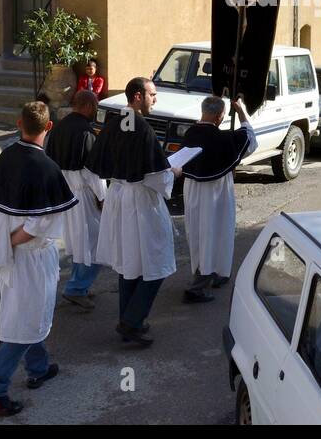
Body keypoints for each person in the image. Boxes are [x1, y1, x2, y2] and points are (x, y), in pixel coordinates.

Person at [0, 101, 77, 416]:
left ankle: (39, 366)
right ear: (48, 127)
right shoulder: (47, 168)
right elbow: (39, 226)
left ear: (19, 123)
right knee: (25, 322)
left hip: (9, 255)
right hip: (30, 258)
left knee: (26, 314)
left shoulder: (4, 157)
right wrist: (9, 241)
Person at [92, 77, 180, 346]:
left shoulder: (114, 122)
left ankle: (129, 319)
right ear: (138, 96)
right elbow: (156, 177)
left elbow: (97, 163)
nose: (155, 99)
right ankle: (131, 321)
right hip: (140, 202)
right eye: (152, 94)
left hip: (119, 197)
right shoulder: (141, 127)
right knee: (157, 260)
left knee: (130, 263)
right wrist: (173, 172)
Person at [181, 97, 256, 303]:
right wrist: (241, 112)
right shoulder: (222, 138)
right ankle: (200, 284)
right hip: (215, 192)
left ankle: (208, 273)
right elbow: (250, 139)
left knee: (197, 234)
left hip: (192, 189)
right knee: (214, 233)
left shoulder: (189, 133)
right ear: (220, 116)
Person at [45, 89, 107, 311]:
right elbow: (93, 171)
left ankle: (80, 284)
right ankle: (76, 288)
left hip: (65, 194)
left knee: (80, 243)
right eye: (96, 107)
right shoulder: (86, 132)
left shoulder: (58, 128)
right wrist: (102, 196)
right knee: (96, 243)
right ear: (89, 106)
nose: (96, 111)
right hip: (84, 196)